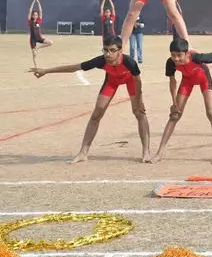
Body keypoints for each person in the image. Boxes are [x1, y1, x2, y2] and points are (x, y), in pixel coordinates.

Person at [29, 36, 150, 164]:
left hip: (131, 81)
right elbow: (74, 68)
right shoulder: (100, 61)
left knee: (139, 113)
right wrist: (46, 71)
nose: (108, 54)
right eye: (105, 50)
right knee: (96, 115)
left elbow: (137, 80)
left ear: (120, 51)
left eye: (112, 50)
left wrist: (138, 99)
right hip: (112, 81)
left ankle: (146, 152)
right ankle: (83, 153)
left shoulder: (129, 62)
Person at [27, 0, 52, 67]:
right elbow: (29, 11)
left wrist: (37, 2)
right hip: (33, 40)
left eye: (36, 15)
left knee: (50, 43)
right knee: (34, 54)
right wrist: (33, 2)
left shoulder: (39, 21)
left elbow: (41, 11)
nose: (35, 16)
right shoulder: (30, 22)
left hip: (39, 38)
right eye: (34, 15)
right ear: (32, 16)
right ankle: (36, 66)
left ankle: (38, 47)